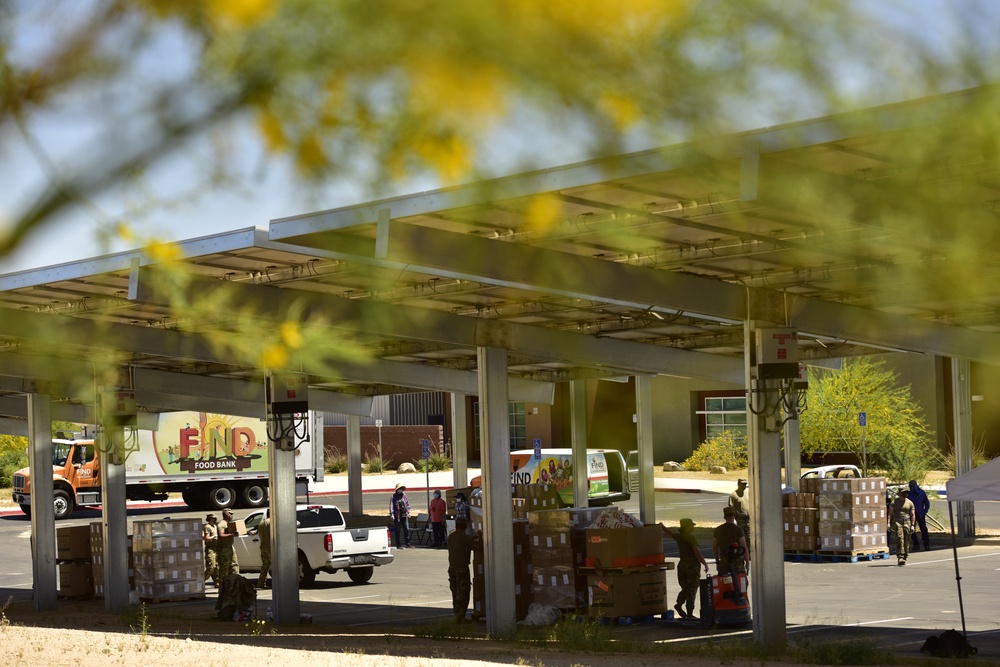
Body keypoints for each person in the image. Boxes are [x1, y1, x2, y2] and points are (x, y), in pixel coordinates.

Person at [662, 518, 709, 620]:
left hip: (682, 565)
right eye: (691, 526)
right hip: (692, 566)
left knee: (686, 588)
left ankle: (679, 604)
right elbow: (696, 552)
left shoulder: (679, 536)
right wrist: (704, 563)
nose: (693, 527)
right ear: (687, 527)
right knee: (692, 589)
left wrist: (662, 526)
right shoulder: (691, 537)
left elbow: (670, 533)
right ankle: (689, 612)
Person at [447, 516, 480, 623]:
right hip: (461, 568)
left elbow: (465, 539)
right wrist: (480, 538)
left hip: (452, 568)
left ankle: (457, 615)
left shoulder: (451, 537)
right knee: (463, 592)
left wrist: (473, 537)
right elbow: (477, 547)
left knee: (455, 592)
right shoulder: (465, 538)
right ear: (466, 527)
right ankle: (461, 616)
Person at [713, 506, 749, 576]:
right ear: (734, 516)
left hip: (724, 561)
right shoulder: (738, 529)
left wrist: (717, 562)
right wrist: (747, 562)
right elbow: (743, 546)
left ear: (724, 517)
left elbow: (715, 548)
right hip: (737, 561)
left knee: (723, 582)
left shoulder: (718, 530)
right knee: (741, 582)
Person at [891, 487, 916, 566]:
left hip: (907, 522)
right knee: (899, 539)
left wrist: (912, 525)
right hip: (898, 522)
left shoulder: (910, 503)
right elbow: (890, 514)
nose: (905, 494)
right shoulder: (894, 502)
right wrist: (888, 523)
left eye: (906, 492)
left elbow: (912, 514)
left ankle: (905, 556)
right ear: (900, 493)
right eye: (904, 492)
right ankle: (900, 557)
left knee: (906, 540)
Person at [908, 480, 932, 551]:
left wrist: (925, 511)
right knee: (912, 529)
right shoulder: (909, 494)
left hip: (920, 513)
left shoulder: (921, 493)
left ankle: (926, 544)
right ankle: (916, 543)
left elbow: (927, 503)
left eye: (912, 486)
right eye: (910, 486)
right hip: (912, 514)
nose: (911, 488)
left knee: (924, 529)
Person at [728, 478, 751, 548]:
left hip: (748, 519)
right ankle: (741, 551)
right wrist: (736, 516)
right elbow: (731, 508)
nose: (744, 486)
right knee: (741, 536)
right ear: (738, 484)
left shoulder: (748, 493)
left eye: (745, 484)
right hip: (740, 519)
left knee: (749, 536)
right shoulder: (733, 495)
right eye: (742, 484)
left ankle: (749, 551)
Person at [216, 508, 240, 577]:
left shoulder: (229, 523)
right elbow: (221, 535)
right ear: (226, 514)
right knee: (224, 569)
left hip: (230, 547)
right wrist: (232, 535)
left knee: (234, 566)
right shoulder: (222, 524)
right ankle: (222, 585)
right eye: (230, 514)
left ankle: (234, 584)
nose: (232, 515)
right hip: (224, 549)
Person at [390, 483, 414, 548]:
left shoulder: (404, 496)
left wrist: (408, 512)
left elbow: (407, 504)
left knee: (406, 529)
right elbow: (391, 506)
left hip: (404, 515)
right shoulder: (393, 497)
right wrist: (392, 514)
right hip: (397, 516)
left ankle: (407, 543)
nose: (400, 490)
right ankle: (398, 545)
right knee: (397, 530)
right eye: (399, 489)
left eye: (401, 489)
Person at [252, 514, 272, 588]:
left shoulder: (261, 523)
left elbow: (257, 532)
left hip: (263, 545)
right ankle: (278, 582)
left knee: (265, 565)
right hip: (270, 545)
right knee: (275, 565)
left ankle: (261, 582)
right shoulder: (271, 522)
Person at [203, 513, 219, 587]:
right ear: (210, 519)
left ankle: (217, 582)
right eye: (213, 518)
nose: (215, 519)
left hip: (216, 548)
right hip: (210, 549)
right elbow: (206, 538)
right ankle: (203, 579)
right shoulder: (207, 527)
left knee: (217, 566)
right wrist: (214, 537)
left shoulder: (215, 526)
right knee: (211, 566)